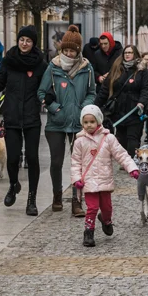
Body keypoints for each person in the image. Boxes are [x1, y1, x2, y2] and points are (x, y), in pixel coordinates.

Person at [0, 25, 48, 216]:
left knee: (32, 158)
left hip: (31, 116)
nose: (24, 43)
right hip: (12, 115)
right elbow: (1, 80)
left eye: (28, 41)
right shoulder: (9, 60)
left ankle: (31, 199)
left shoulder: (40, 63)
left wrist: (48, 98)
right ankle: (13, 184)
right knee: (13, 157)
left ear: (34, 43)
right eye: (22, 39)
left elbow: (46, 87)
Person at [39, 25, 96, 216]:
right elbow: (41, 92)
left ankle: (76, 201)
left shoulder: (86, 68)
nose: (69, 53)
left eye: (72, 50)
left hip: (78, 123)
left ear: (78, 51)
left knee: (77, 164)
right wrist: (55, 108)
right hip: (56, 123)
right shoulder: (53, 67)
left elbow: (92, 93)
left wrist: (83, 109)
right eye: (66, 50)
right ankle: (56, 195)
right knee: (56, 162)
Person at [71, 105, 140, 248]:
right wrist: (77, 178)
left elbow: (121, 154)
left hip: (104, 180)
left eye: (92, 121)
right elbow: (75, 162)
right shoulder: (79, 142)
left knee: (107, 207)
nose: (89, 125)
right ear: (82, 123)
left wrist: (132, 168)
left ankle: (106, 220)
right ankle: (89, 232)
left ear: (98, 121)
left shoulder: (108, 139)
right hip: (89, 181)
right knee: (92, 207)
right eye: (86, 122)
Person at [96, 44, 148, 156]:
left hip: (135, 111)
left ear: (135, 54)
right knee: (121, 139)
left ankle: (132, 161)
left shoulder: (142, 71)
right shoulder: (116, 69)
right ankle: (125, 161)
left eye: (130, 52)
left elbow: (146, 89)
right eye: (125, 52)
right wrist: (94, 107)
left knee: (133, 139)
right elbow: (105, 89)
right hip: (119, 112)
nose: (127, 55)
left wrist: (142, 102)